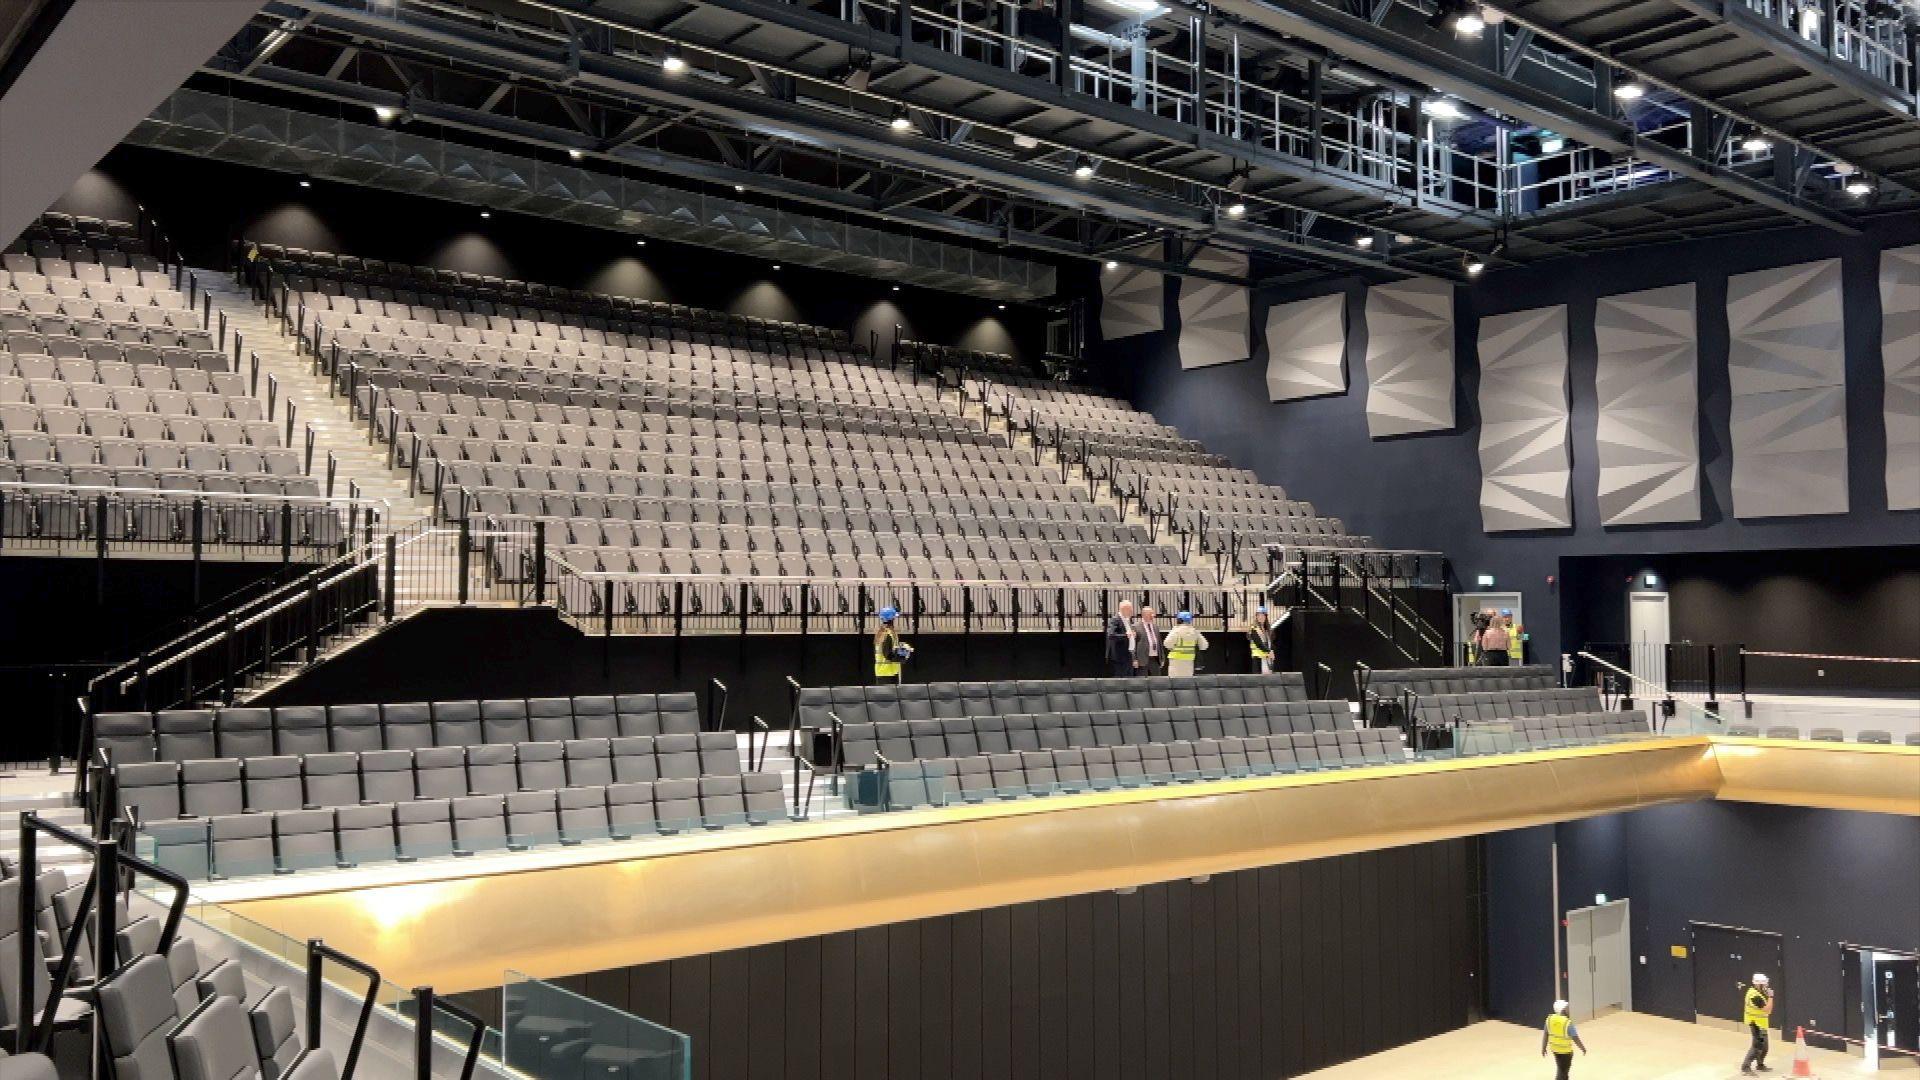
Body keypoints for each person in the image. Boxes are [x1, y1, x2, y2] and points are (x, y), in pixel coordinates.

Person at [1541, 999, 1586, 1079]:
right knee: (1563, 1071)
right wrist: (1582, 1048)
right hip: (1566, 1052)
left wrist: (1543, 1048)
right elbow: (1575, 1038)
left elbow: (1545, 1034)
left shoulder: (1549, 1019)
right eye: (1568, 1008)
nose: (1569, 1009)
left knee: (1561, 1068)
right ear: (1563, 1010)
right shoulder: (1567, 1023)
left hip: (1555, 1050)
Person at [1741, 973, 1775, 1074]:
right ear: (1758, 984)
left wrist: (1768, 996)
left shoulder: (1758, 992)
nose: (1766, 986)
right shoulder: (1754, 996)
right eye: (1764, 984)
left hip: (1761, 1024)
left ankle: (1760, 1064)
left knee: (1765, 1047)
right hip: (1756, 1024)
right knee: (1757, 1046)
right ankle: (1745, 1067)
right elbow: (1768, 1010)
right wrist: (1771, 997)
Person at [1162, 611, 1209, 677]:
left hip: (1176, 661)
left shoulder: (1176, 631)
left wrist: (1172, 647)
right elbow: (1204, 646)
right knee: (1187, 683)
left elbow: (1167, 643)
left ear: (1179, 620)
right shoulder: (1194, 631)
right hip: (1189, 661)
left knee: (1175, 683)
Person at [872, 607, 912, 683]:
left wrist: (899, 648)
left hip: (882, 672)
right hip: (889, 673)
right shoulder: (888, 634)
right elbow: (888, 654)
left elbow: (884, 651)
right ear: (891, 619)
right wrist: (902, 655)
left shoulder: (880, 633)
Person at [1105, 600, 1138, 677]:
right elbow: (1111, 635)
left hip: (1128, 656)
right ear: (1124, 609)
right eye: (1130, 610)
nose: (1132, 612)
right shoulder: (1115, 619)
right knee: (1120, 681)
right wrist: (1125, 636)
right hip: (1119, 658)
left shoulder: (1127, 620)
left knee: (1129, 680)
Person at [1133, 606, 1163, 675]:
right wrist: (1134, 659)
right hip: (1142, 660)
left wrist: (1162, 658)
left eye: (1153, 613)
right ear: (1144, 615)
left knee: (1157, 681)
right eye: (1151, 613)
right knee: (1142, 682)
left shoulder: (1155, 626)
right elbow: (1133, 645)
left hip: (1155, 659)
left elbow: (1159, 643)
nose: (1153, 615)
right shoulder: (1136, 627)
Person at [1247, 608, 1275, 674]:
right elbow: (1259, 644)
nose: (1261, 617)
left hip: (1266, 658)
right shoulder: (1254, 629)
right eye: (1259, 615)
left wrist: (1271, 652)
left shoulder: (1266, 629)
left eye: (1262, 615)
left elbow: (1269, 643)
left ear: (1265, 617)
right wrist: (1269, 651)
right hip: (1258, 658)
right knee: (1258, 681)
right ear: (1256, 617)